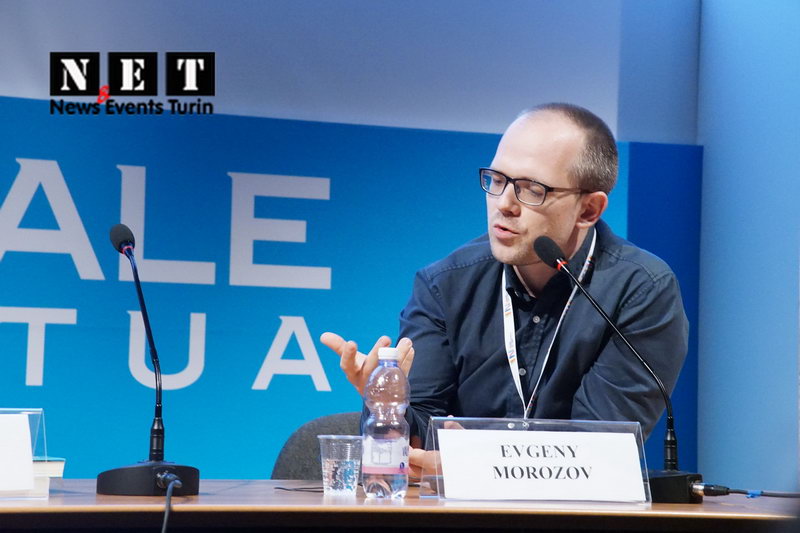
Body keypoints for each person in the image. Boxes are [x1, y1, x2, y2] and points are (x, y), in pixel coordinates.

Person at [321, 102, 688, 475]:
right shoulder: (445, 285)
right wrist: (387, 406)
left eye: (532, 189)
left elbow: (598, 453)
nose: (504, 204)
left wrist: (475, 463)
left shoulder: (640, 291)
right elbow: (419, 442)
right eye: (497, 180)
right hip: (459, 510)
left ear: (589, 210)